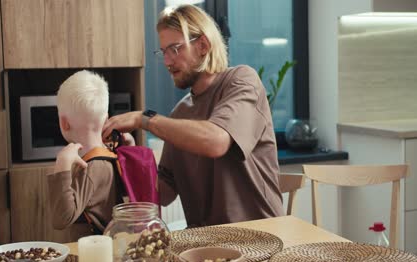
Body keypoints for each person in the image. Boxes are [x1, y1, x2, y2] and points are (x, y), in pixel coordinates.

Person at [102, 4, 284, 227]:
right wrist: (129, 156)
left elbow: (216, 141)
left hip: (261, 239)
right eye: (163, 52)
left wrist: (145, 119)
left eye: (175, 49)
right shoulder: (180, 112)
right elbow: (162, 193)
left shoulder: (241, 80)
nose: (167, 62)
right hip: (205, 245)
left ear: (203, 45)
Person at [48, 70, 124, 234]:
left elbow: (61, 219)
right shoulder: (109, 155)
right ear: (106, 119)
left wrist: (62, 167)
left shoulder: (91, 167)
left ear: (64, 123)